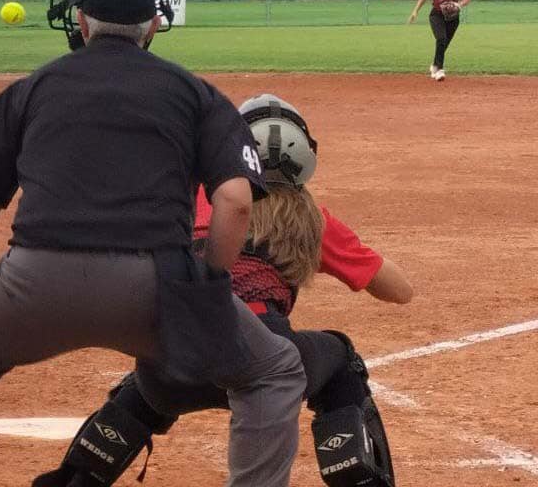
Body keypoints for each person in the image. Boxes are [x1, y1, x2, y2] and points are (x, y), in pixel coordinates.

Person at [0, 0, 306, 487]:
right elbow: (236, 202)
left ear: (81, 22)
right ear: (153, 25)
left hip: (34, 283)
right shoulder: (195, 93)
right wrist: (207, 283)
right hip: (156, 288)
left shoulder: (27, 90)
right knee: (274, 371)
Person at [34, 94, 412, 487]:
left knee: (152, 373)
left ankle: (76, 479)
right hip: (261, 365)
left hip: (169, 371)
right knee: (341, 361)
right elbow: (400, 291)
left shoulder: (190, 195)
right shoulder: (312, 219)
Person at [407, 0, 471, 81]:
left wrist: (458, 5)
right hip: (437, 15)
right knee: (441, 39)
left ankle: (434, 65)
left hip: (452, 17)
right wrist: (415, 11)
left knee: (444, 43)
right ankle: (439, 70)